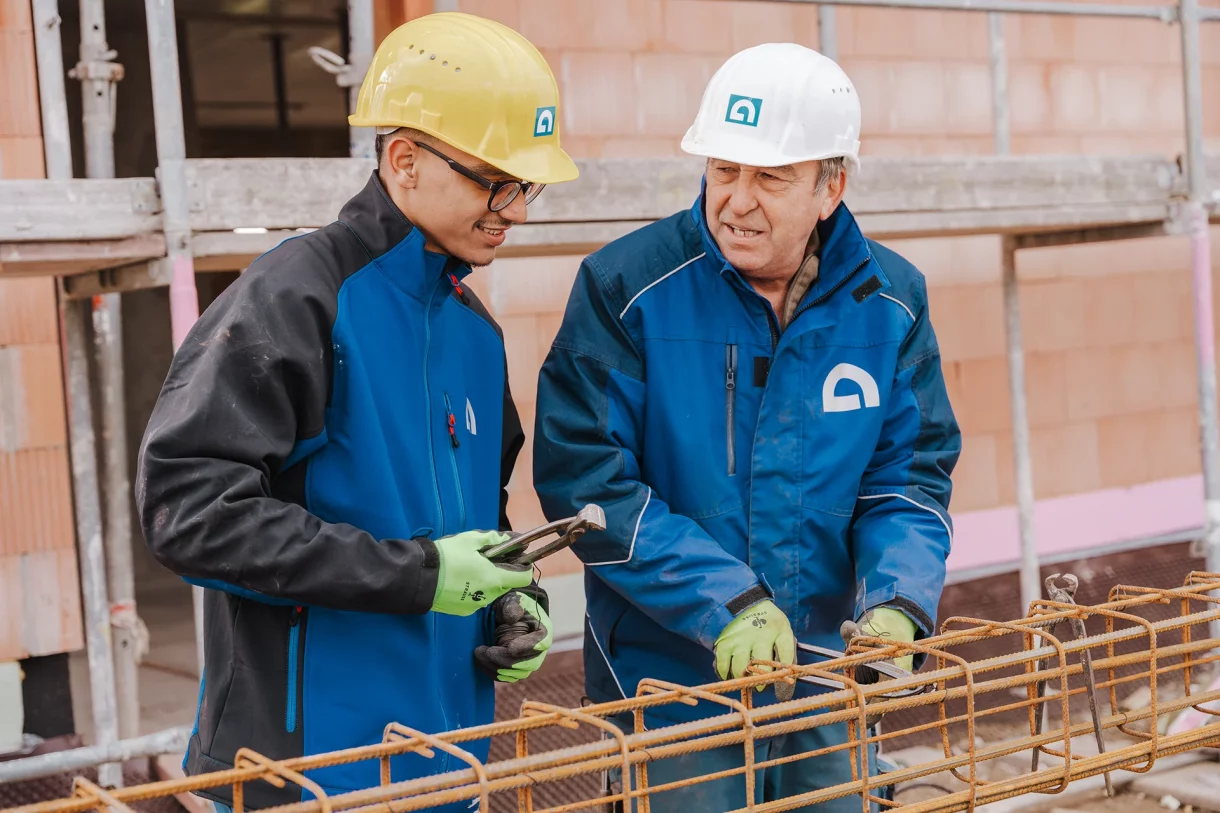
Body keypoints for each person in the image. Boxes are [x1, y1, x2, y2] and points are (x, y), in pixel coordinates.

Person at [135, 13, 577, 811]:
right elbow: (188, 512)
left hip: (449, 762)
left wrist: (515, 596)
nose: (514, 208)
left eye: (527, 185)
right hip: (306, 771)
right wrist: (424, 575)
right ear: (403, 159)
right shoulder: (298, 299)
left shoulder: (475, 333)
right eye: (493, 179)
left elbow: (483, 519)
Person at [533, 42, 961, 812]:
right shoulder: (627, 289)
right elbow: (585, 481)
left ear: (832, 185)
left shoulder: (889, 302)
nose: (735, 198)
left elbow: (908, 477)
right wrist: (726, 597)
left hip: (827, 675)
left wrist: (897, 599)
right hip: (669, 679)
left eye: (770, 176)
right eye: (723, 168)